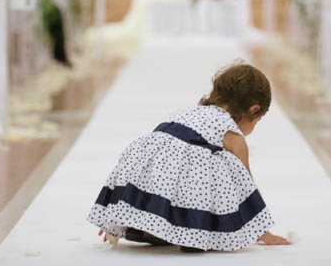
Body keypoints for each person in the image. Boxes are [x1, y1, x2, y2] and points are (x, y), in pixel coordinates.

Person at [87, 63, 291, 252]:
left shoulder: (187, 113)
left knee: (190, 162)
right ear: (254, 109)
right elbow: (246, 188)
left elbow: (149, 165)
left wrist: (115, 217)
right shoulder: (232, 134)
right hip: (179, 182)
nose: (253, 128)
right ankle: (183, 230)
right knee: (217, 167)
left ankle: (145, 224)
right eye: (257, 121)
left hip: (144, 178)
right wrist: (262, 232)